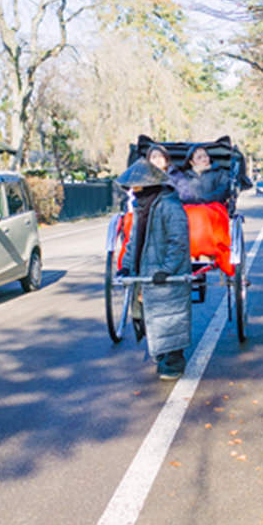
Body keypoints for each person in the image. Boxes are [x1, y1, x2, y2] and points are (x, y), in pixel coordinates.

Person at [116, 158, 192, 380]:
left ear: (149, 186)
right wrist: (127, 266)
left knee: (169, 316)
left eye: (137, 187)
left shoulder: (169, 206)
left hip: (165, 273)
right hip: (145, 270)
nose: (134, 191)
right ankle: (162, 355)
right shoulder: (141, 209)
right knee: (148, 315)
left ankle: (175, 360)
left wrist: (167, 270)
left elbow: (178, 242)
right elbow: (133, 243)